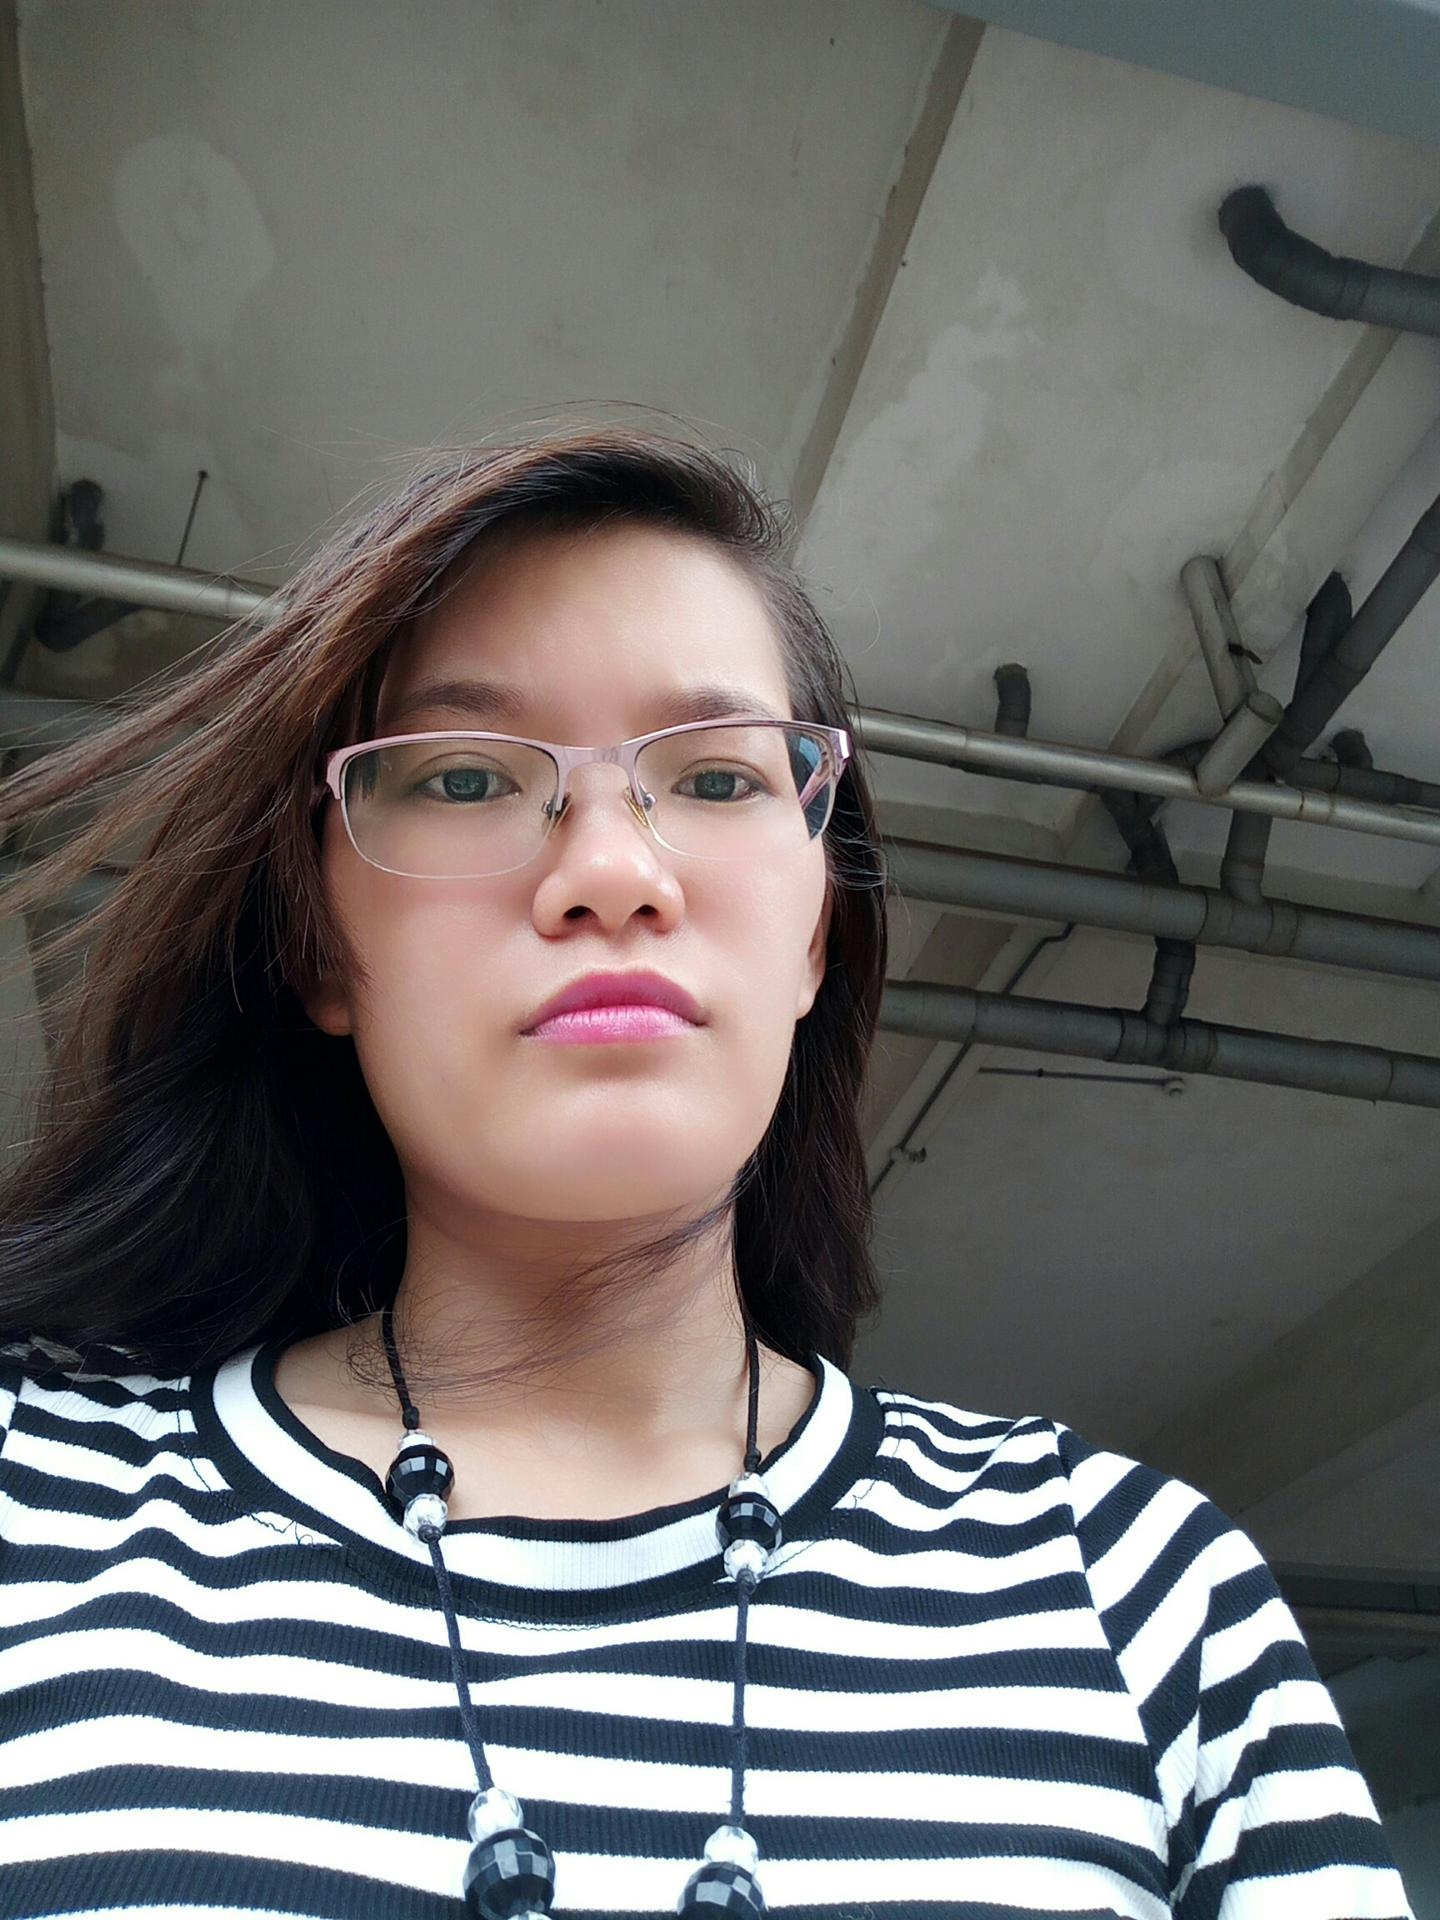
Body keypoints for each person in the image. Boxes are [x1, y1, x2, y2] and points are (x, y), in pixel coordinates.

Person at [0, 426, 1414, 1920]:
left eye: (720, 778)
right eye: (468, 777)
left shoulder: (1132, 1593)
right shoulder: (36, 1507)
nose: (614, 871)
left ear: (815, 937)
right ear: (319, 944)